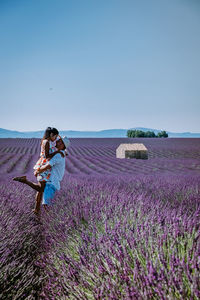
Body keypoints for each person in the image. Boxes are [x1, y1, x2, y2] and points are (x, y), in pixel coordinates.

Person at [13, 136, 68, 215]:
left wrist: (37, 171)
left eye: (60, 141)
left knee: (46, 202)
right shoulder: (58, 152)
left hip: (52, 181)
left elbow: (48, 166)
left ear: (63, 145)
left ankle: (45, 218)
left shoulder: (58, 154)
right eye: (58, 140)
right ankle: (40, 213)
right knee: (44, 197)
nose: (58, 141)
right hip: (51, 180)